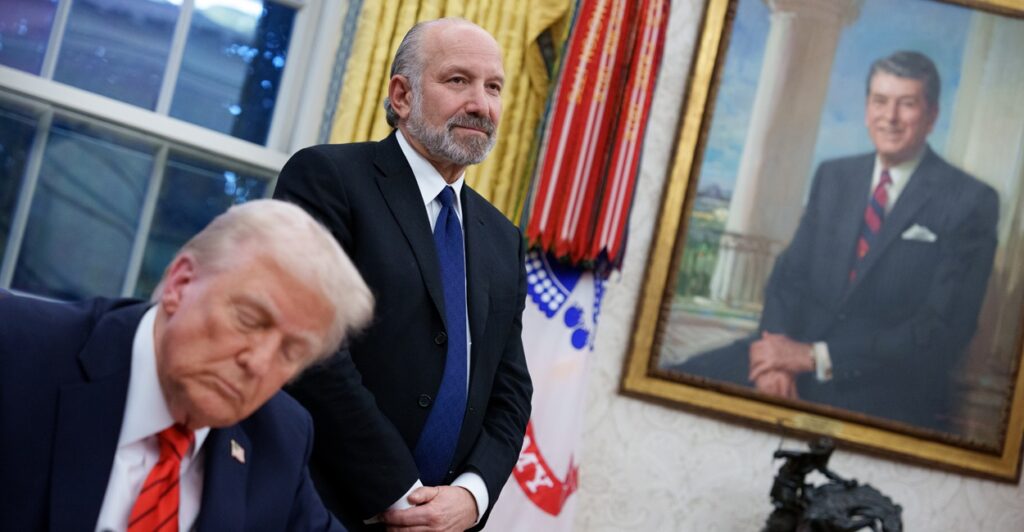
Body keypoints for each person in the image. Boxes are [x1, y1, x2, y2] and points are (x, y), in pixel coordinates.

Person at [273, 17, 532, 532]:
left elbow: (510, 391)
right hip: (315, 503)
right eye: (458, 81)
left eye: (494, 87)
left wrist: (471, 496)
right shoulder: (327, 179)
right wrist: (398, 491)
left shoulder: (504, 239)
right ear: (401, 95)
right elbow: (310, 344)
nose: (481, 105)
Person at [0, 200, 374, 531]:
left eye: (291, 352)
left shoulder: (279, 439)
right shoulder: (17, 348)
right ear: (180, 283)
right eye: (248, 319)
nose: (259, 364)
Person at [679, 51, 999, 431]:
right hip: (790, 362)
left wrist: (813, 357)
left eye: (907, 104)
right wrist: (774, 359)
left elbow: (941, 331)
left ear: (931, 116)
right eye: (880, 101)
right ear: (867, 109)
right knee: (677, 382)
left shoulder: (969, 200)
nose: (890, 117)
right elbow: (788, 278)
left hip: (882, 387)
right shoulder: (834, 177)